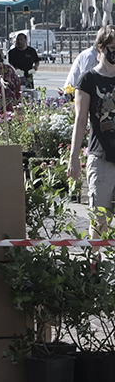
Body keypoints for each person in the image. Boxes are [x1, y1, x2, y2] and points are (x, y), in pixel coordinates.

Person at [68, 25, 115, 229]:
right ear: (101, 47)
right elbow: (80, 120)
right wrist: (74, 157)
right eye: (112, 48)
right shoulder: (88, 79)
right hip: (101, 156)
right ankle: (95, 261)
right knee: (100, 220)